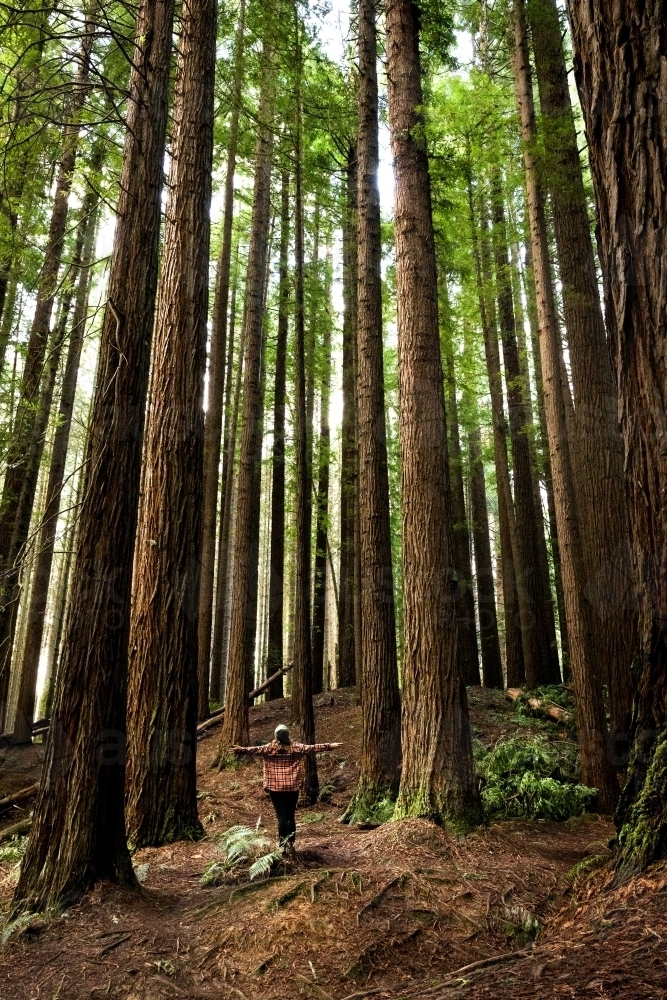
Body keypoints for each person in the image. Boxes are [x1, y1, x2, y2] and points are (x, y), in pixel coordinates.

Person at [232, 725, 342, 853]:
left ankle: (282, 846)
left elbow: (253, 750)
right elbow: (312, 748)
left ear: (275, 736)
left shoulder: (269, 748)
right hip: (292, 788)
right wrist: (330, 746)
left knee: (281, 817)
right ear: (288, 735)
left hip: (275, 788)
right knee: (290, 816)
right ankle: (291, 844)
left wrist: (240, 750)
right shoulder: (295, 748)